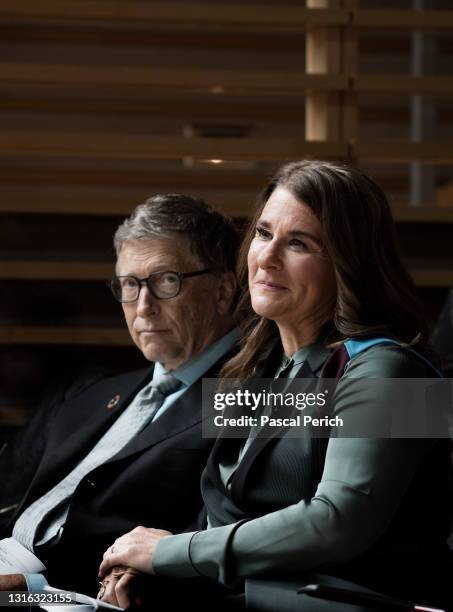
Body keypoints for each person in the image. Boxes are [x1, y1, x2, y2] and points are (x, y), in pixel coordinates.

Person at [99, 161, 453, 611]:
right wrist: (147, 569)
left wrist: (169, 555)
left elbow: (338, 521)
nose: (266, 257)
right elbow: (224, 511)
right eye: (264, 234)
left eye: (298, 243)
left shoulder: (395, 370)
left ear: (349, 263)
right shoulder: (257, 364)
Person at [0, 194, 239, 596]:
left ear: (223, 291)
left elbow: (212, 546)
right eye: (130, 284)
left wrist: (35, 587)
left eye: (166, 281)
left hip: (64, 593)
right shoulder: (91, 392)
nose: (142, 306)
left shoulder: (257, 399)